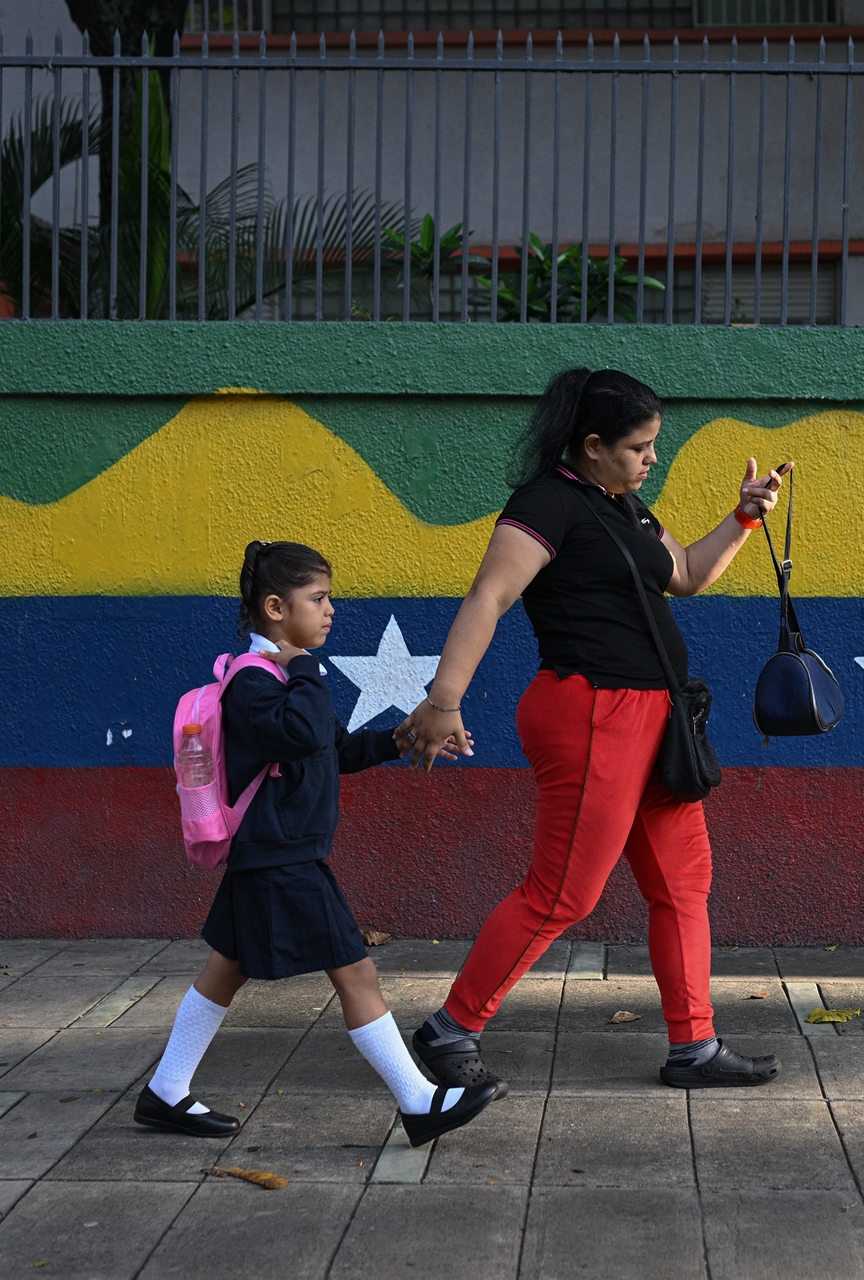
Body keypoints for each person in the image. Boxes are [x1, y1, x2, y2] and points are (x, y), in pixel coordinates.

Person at [396, 368, 788, 1090]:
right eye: (640, 446)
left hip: (656, 719)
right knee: (563, 893)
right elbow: (491, 594)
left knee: (682, 882)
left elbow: (690, 574)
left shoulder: (625, 506)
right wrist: (445, 698)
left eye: (654, 446)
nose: (650, 459)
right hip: (591, 712)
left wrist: (745, 516)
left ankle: (693, 1046)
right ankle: (451, 1027)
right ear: (594, 443)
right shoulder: (546, 503)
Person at [135, 540, 499, 1147]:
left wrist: (397, 738)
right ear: (276, 608)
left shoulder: (281, 678)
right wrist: (301, 664)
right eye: (319, 599)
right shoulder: (256, 681)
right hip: (281, 858)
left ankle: (166, 1091)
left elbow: (330, 748)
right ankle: (418, 1103)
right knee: (356, 972)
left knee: (224, 971)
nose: (331, 611)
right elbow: (303, 730)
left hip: (275, 854)